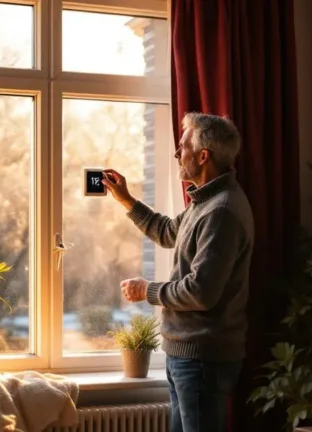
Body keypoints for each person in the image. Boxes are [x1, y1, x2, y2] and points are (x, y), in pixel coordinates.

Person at [102, 112, 254, 432]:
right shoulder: (205, 202)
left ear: (203, 156)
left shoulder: (222, 211)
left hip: (202, 359)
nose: (177, 153)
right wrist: (127, 200)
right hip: (188, 356)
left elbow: (201, 291)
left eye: (182, 146)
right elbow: (168, 231)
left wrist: (147, 291)